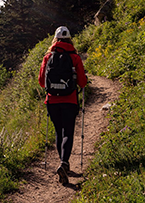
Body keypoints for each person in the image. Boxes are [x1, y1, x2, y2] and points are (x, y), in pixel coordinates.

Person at [38, 26, 87, 185]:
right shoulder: (75, 57)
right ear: (69, 39)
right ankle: (64, 163)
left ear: (55, 39)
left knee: (59, 132)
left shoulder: (47, 57)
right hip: (70, 100)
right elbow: (82, 82)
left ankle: (62, 162)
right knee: (68, 132)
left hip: (52, 101)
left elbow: (41, 82)